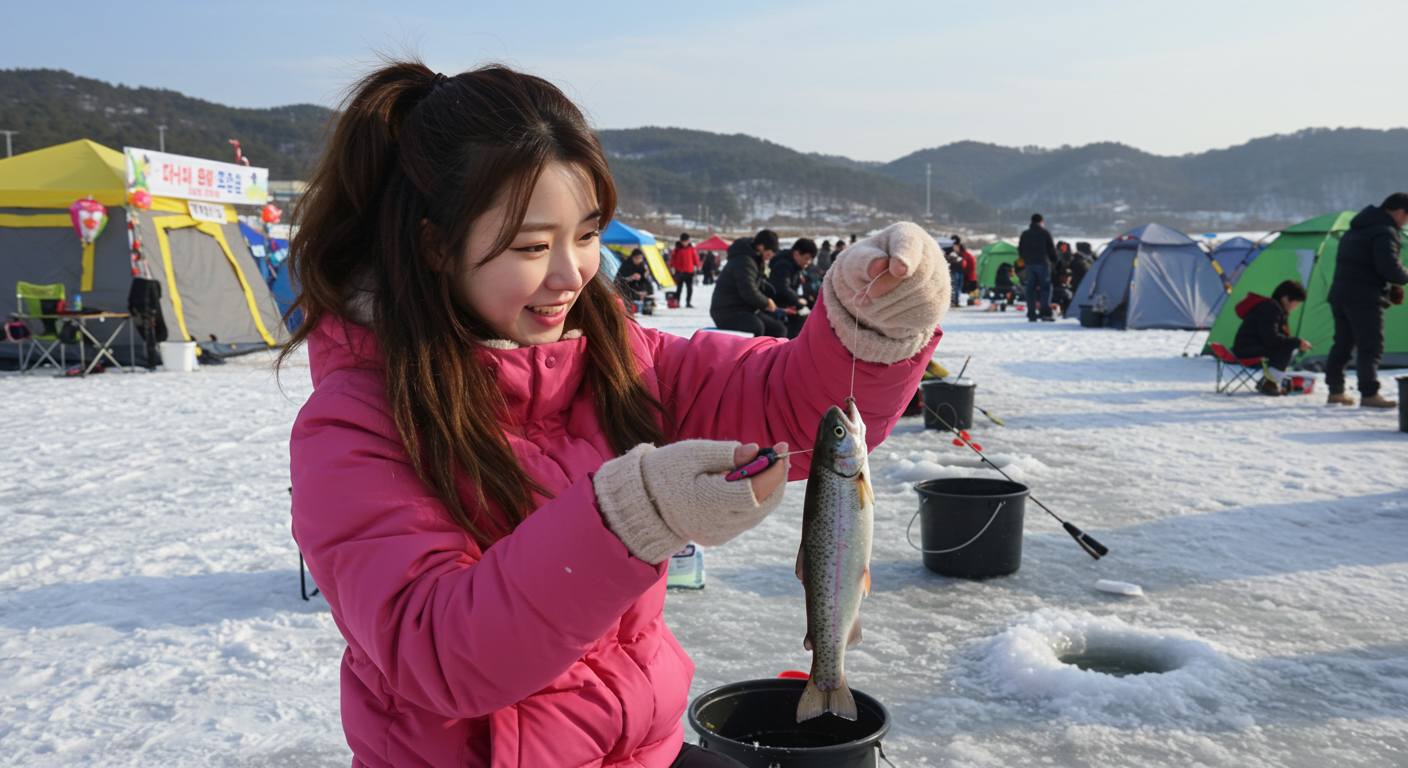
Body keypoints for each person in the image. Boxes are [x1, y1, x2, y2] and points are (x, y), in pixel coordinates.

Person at [281, 62, 949, 768]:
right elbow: (440, 656)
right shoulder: (354, 428)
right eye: (533, 246)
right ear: (436, 246)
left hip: (637, 748)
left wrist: (863, 327)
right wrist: (630, 515)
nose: (572, 275)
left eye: (587, 234)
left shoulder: (621, 360)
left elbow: (787, 409)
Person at [1325, 192, 1408, 408]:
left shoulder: (1356, 229)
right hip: (1364, 298)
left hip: (1340, 295)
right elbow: (1389, 267)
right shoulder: (1385, 231)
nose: (1405, 223)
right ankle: (1370, 394)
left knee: (1343, 344)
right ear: (1399, 212)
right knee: (1370, 346)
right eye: (1406, 217)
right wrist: (1403, 276)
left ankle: (1336, 391)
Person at [1231, 280, 1313, 395]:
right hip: (1245, 351)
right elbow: (1271, 339)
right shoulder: (1269, 310)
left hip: (1249, 348)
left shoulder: (1276, 310)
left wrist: (1296, 343)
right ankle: (1270, 384)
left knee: (1287, 346)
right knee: (1285, 348)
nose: (1296, 306)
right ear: (1285, 298)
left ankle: (1270, 381)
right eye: (1296, 302)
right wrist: (1297, 342)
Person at [710, 229, 786, 337]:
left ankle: (771, 354)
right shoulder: (744, 261)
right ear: (761, 247)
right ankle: (752, 354)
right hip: (727, 312)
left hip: (745, 309)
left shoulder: (755, 259)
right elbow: (748, 290)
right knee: (755, 326)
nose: (770, 256)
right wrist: (766, 303)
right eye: (769, 252)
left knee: (778, 329)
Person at [768, 238, 817, 338]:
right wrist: (798, 300)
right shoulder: (783, 265)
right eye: (806, 258)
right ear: (796, 253)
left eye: (810, 260)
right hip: (777, 305)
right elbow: (781, 287)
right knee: (800, 325)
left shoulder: (797, 267)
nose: (808, 262)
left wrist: (808, 299)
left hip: (787, 303)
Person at [1018, 213, 1057, 321]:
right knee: (1045, 288)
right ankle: (1044, 312)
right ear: (1041, 222)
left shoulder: (1025, 234)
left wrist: (1025, 260)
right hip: (1042, 264)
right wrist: (1055, 261)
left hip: (1029, 265)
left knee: (1030, 289)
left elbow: (1020, 249)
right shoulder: (1045, 233)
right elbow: (1051, 250)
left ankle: (1031, 313)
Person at [616, 247, 653, 312]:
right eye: (637, 258)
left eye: (640, 258)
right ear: (633, 258)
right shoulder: (626, 265)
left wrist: (642, 276)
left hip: (638, 287)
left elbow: (645, 279)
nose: (639, 260)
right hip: (627, 287)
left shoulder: (642, 266)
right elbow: (619, 279)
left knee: (648, 287)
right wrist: (630, 277)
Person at [670, 232, 700, 308]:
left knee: (689, 288)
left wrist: (698, 265)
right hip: (680, 271)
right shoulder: (677, 249)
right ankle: (677, 302)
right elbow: (673, 258)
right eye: (683, 241)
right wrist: (672, 266)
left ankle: (688, 302)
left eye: (686, 241)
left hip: (689, 271)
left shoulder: (691, 249)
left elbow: (695, 258)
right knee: (679, 288)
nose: (685, 243)